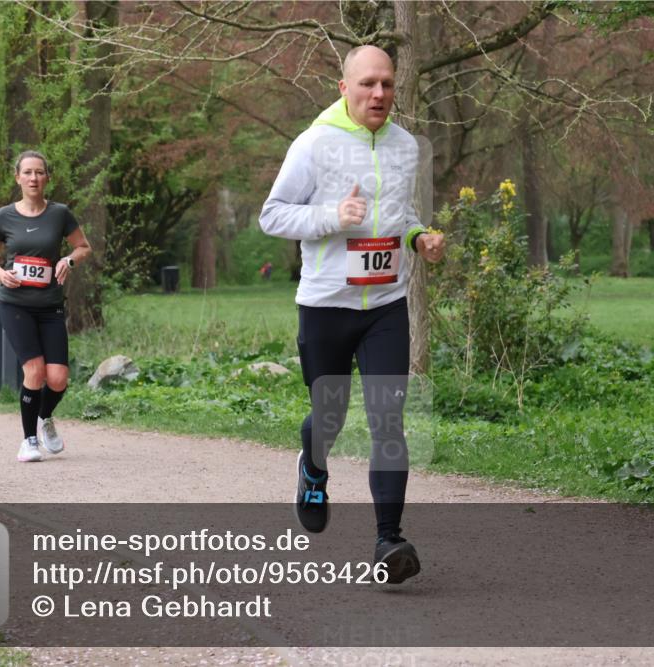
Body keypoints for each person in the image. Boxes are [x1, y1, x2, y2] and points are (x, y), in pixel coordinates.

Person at [259, 45, 445, 584]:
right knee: (330, 417)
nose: (379, 93)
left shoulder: (406, 146)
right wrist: (331, 216)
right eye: (367, 83)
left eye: (387, 83)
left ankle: (389, 541)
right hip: (326, 305)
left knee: (388, 419)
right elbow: (272, 215)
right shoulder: (314, 143)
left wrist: (418, 237)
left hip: (386, 304)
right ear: (344, 88)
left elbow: (403, 212)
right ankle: (313, 467)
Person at [0, 151, 92, 463]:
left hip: (50, 305)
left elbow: (83, 247)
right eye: (27, 172)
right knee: (35, 371)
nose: (33, 178)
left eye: (39, 172)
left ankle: (44, 418)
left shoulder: (60, 214)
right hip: (15, 304)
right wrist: (1, 273)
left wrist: (69, 260)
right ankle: (28, 441)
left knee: (58, 378)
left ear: (47, 178)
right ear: (18, 178)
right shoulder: (4, 216)